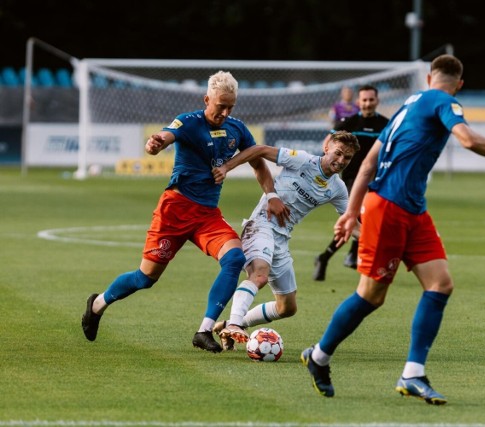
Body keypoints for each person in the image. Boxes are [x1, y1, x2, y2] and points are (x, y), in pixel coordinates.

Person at [301, 54, 485, 403]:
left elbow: (369, 162)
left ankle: (412, 374)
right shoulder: (444, 101)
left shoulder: (408, 105)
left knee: (440, 284)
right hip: (388, 208)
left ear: (430, 76)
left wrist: (352, 209)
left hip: (412, 209)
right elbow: (468, 139)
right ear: (459, 84)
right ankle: (319, 356)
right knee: (371, 296)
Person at [81, 70, 289, 354]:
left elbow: (256, 161)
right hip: (174, 212)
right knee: (145, 278)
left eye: (231, 107)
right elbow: (166, 136)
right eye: (220, 106)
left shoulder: (237, 128)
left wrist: (272, 194)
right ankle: (97, 304)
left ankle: (204, 330)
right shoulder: (189, 121)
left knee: (235, 259)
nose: (225, 112)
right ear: (207, 99)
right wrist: (155, 144)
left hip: (207, 216)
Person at [209, 131, 360, 350]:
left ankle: (234, 323)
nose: (341, 161)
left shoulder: (337, 189)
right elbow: (258, 150)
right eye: (338, 153)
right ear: (326, 148)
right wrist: (226, 168)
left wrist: (380, 246)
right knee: (259, 275)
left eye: (347, 158)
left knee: (287, 307)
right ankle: (233, 324)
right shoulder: (302, 160)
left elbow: (352, 225)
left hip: (281, 238)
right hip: (260, 225)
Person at [313, 84, 389, 281]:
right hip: (351, 181)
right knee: (357, 220)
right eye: (364, 100)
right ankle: (351, 258)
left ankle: (329, 257)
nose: (368, 103)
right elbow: (328, 140)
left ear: (377, 101)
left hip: (377, 181)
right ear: (359, 102)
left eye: (371, 99)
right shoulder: (350, 122)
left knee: (362, 221)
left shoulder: (385, 125)